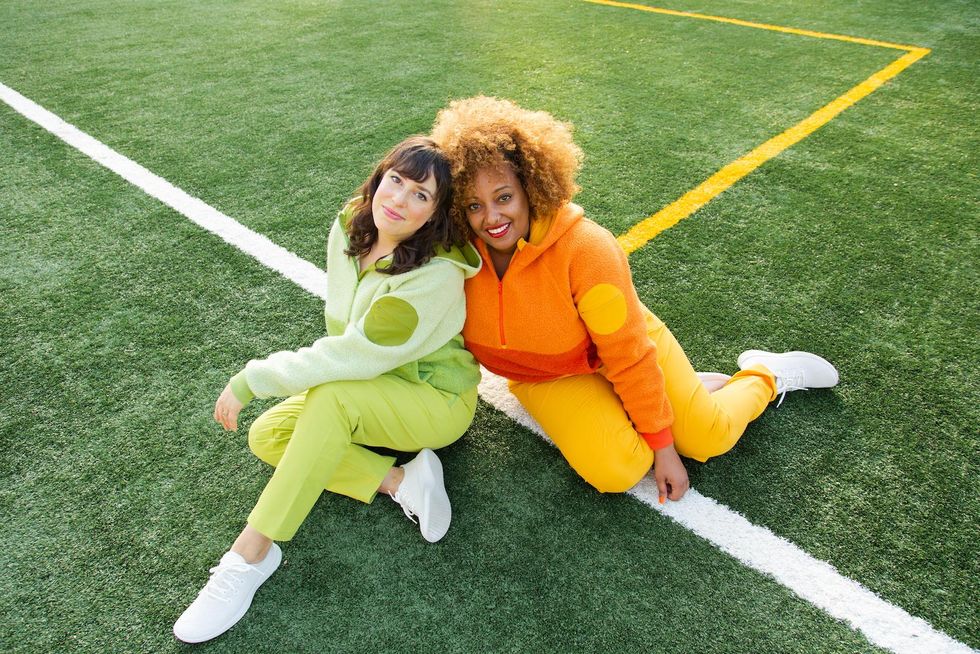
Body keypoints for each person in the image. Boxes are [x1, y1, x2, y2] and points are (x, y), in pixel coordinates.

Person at [430, 96, 838, 503]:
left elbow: (627, 354)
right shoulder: (453, 252)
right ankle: (682, 394)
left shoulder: (585, 248)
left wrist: (664, 446)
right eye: (473, 205)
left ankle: (766, 375)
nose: (491, 218)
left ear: (530, 189)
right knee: (616, 470)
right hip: (545, 374)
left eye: (504, 198)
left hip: (617, 350)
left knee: (706, 438)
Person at [173, 136, 482, 643]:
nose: (399, 200)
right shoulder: (352, 226)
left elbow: (349, 355)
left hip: (434, 403)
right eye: (396, 181)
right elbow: (347, 341)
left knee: (331, 397)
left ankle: (250, 554)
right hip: (372, 385)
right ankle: (403, 482)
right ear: (380, 177)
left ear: (435, 214)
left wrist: (253, 378)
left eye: (420, 196)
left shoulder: (434, 278)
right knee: (269, 436)